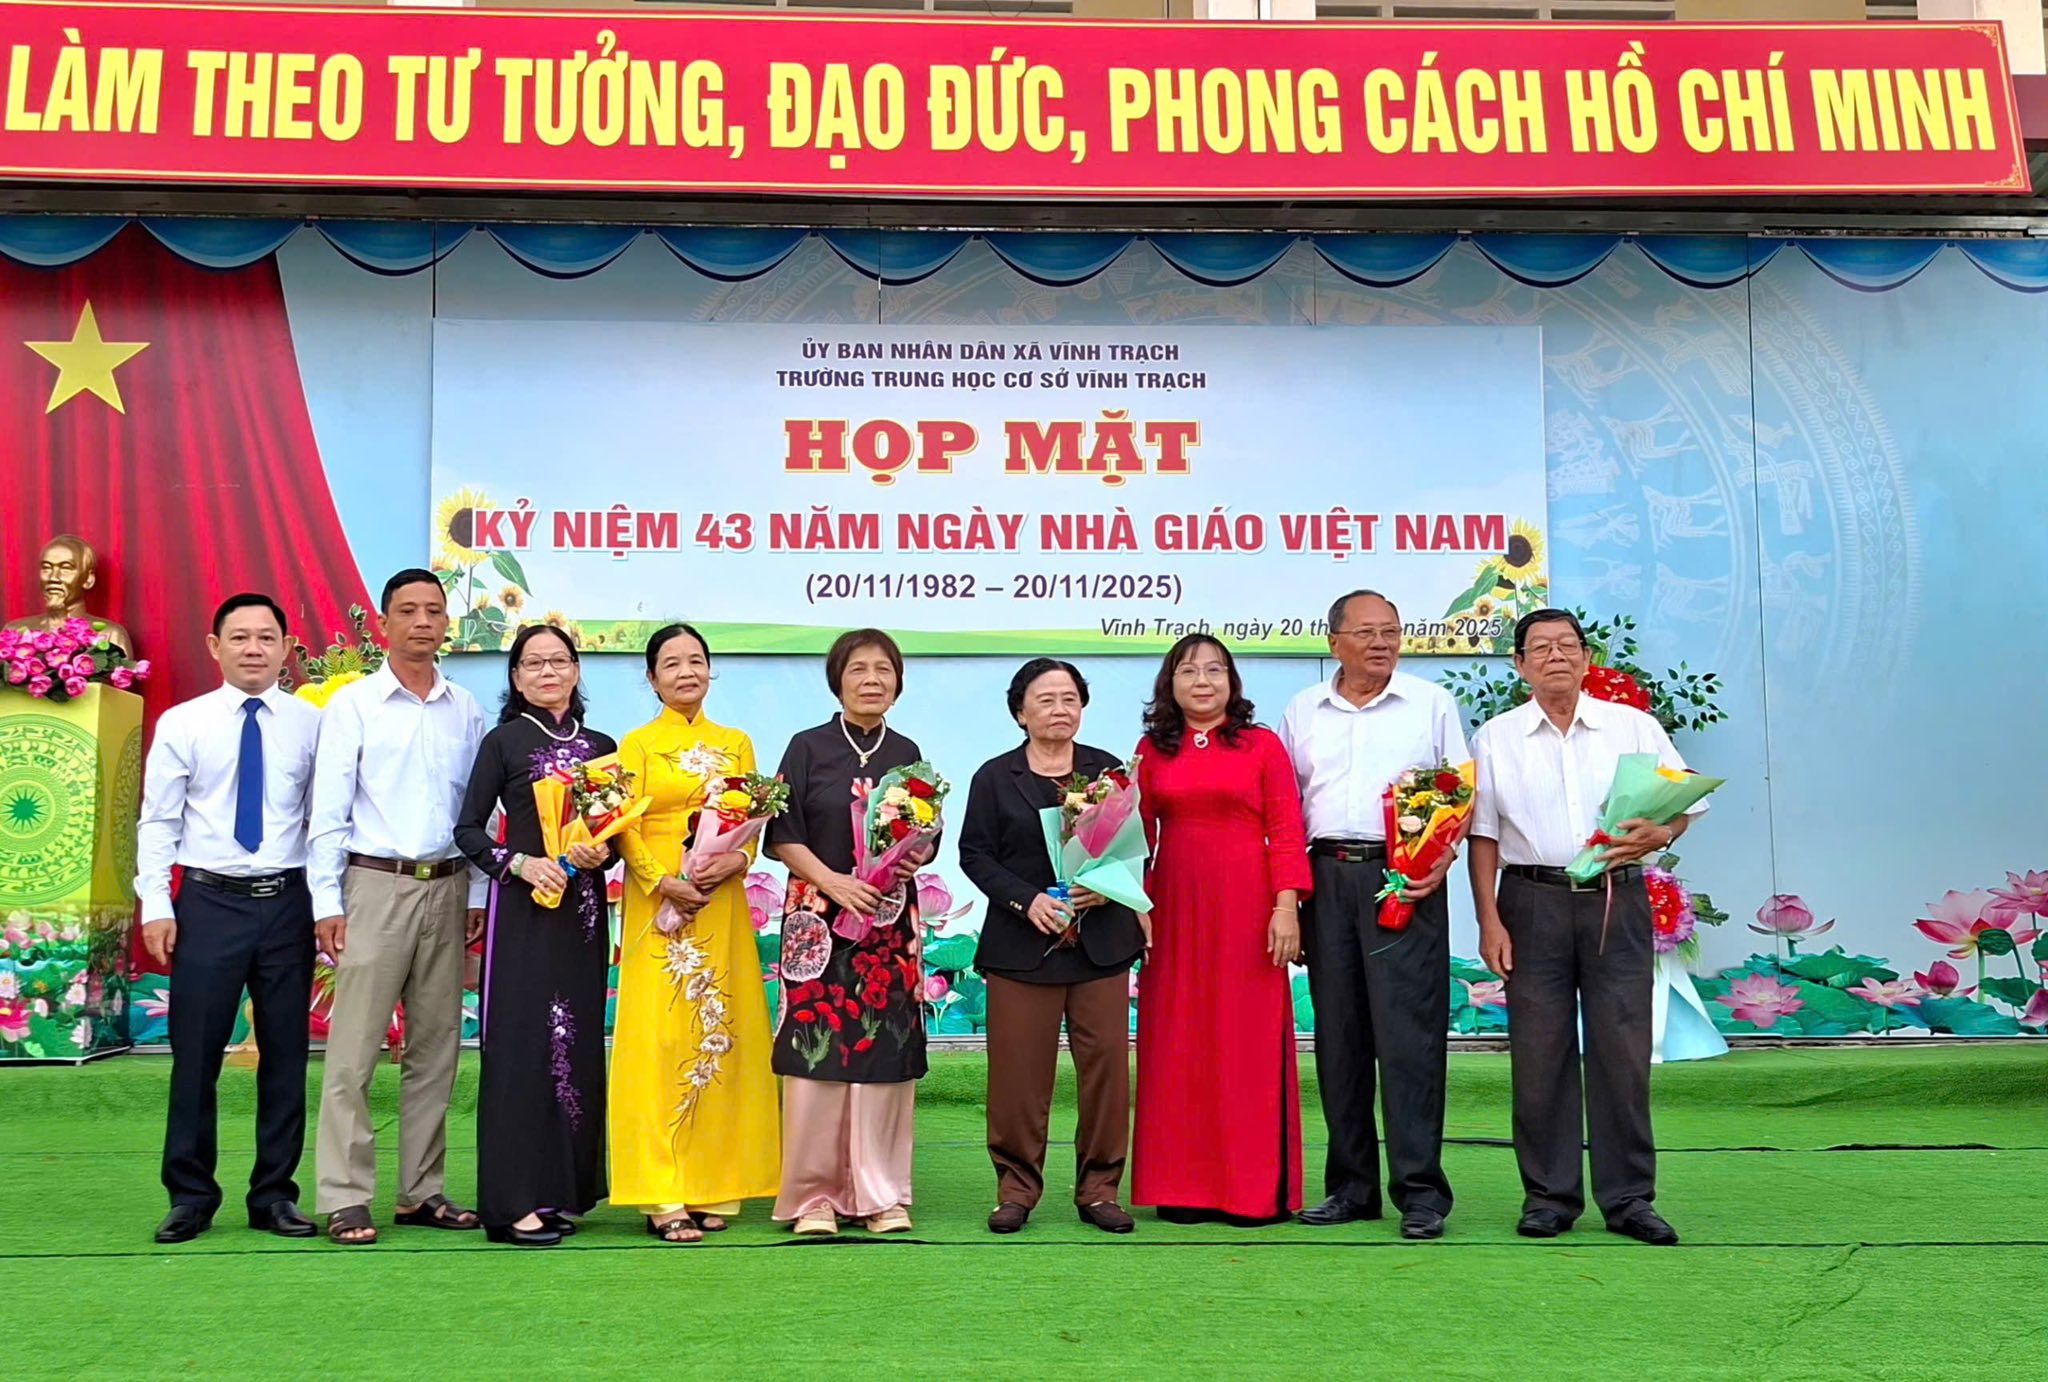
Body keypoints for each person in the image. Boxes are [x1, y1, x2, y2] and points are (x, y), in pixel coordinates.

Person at [1468, 608, 1706, 1247]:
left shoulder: (1633, 726)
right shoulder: (1495, 738)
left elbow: (1686, 801)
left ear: (1586, 657)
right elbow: (1482, 836)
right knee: (1538, 1055)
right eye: (1541, 648)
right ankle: (1549, 1197)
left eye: (1567, 645)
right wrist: (1489, 919)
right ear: (1519, 664)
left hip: (1614, 899)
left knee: (1622, 1052)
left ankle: (1629, 1199)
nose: (1556, 656)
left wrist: (1663, 832)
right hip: (1530, 902)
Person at [1279, 590, 1469, 1240]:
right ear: (1334, 642)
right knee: (1340, 1036)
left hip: (1405, 878)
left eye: (1390, 631)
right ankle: (1351, 1187)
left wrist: (1441, 859)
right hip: (1326, 877)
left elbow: (1460, 792)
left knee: (1410, 1037)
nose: (1381, 643)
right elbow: (1287, 805)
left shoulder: (1430, 704)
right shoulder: (1303, 710)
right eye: (1365, 633)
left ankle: (1421, 1192)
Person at [308, 568, 488, 1245]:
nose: (421, 622)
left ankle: (422, 1191)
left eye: (433, 611)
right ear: (383, 623)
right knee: (353, 1052)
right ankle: (345, 1195)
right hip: (374, 886)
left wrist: (476, 892)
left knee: (436, 1049)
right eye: (407, 611)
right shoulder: (354, 705)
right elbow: (328, 812)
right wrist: (326, 901)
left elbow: (477, 813)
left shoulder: (465, 709)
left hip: (449, 887)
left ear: (447, 624)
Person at [136, 593, 321, 1244]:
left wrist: (328, 905)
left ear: (286, 648)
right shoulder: (183, 723)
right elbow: (158, 820)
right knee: (195, 1054)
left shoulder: (312, 724)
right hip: (208, 903)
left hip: (287, 901)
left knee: (286, 1055)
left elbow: (324, 821)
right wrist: (156, 904)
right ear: (215, 647)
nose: (253, 649)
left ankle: (274, 1195)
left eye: (266, 637)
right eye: (239, 637)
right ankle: (190, 1195)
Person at [959, 658, 1146, 1236]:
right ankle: (1016, 1190)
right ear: (1020, 712)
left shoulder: (1107, 771)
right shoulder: (995, 777)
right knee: (1018, 1079)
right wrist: (1027, 900)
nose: (1060, 709)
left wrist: (1105, 886)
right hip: (1021, 946)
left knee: (1107, 1073)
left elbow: (1132, 847)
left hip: (1100, 946)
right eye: (1045, 700)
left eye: (1070, 698)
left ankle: (1100, 1190)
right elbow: (975, 854)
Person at [1131, 634, 1312, 1225]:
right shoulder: (1152, 750)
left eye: (1215, 670)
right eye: (1189, 671)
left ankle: (1251, 1190)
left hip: (1249, 907)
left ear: (1232, 682)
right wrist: (1136, 903)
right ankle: (1181, 1186)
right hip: (1174, 906)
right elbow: (1135, 838)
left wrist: (1286, 907)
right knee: (1177, 1039)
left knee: (1245, 1042)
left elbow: (1287, 829)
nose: (1202, 681)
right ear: (1170, 684)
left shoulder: (1262, 746)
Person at [611, 623, 780, 1244]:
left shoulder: (736, 742)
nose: (686, 672)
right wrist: (661, 880)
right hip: (658, 900)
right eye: (672, 663)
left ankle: (714, 1182)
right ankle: (661, 1189)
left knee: (719, 1033)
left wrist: (734, 860)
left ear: (711, 671)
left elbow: (752, 822)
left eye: (696, 661)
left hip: (719, 900)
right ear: (651, 678)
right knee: (658, 1040)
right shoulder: (637, 744)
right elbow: (621, 825)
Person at [765, 628, 934, 1235]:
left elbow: (925, 833)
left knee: (882, 1047)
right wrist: (834, 883)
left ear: (898, 682)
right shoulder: (806, 747)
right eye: (858, 668)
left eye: (883, 669)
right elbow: (782, 835)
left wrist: (915, 856)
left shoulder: (908, 754)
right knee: (817, 1047)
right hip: (816, 918)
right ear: (837, 680)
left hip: (888, 923)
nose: (871, 680)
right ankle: (813, 1197)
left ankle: (881, 1194)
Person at [453, 624, 615, 1246]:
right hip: (523, 912)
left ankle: (560, 1192)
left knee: (574, 1044)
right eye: (533, 663)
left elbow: (615, 833)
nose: (548, 672)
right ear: (516, 678)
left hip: (583, 914)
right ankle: (511, 1202)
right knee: (519, 1049)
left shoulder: (602, 747)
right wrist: (518, 864)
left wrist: (603, 853)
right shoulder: (503, 743)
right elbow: (468, 830)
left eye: (559, 660)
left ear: (576, 670)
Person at [5, 532, 134, 654]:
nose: (53, 578)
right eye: (46, 568)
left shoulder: (110, 635)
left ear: (88, 579)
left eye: (66, 568)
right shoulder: (14, 632)